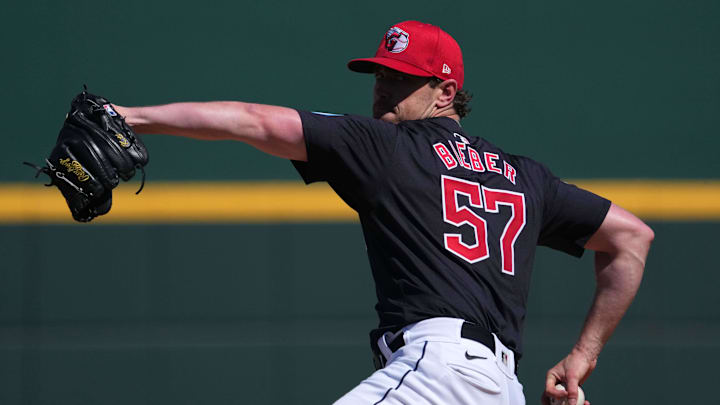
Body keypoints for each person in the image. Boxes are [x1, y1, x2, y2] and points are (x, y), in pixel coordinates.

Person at [114, 20, 653, 405]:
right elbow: (631, 238)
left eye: (400, 78)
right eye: (380, 75)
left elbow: (253, 120)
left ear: (445, 91)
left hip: (437, 374)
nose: (382, 90)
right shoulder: (525, 175)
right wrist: (583, 357)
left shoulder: (389, 147)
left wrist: (129, 116)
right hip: (499, 388)